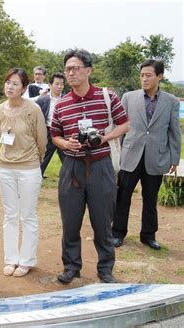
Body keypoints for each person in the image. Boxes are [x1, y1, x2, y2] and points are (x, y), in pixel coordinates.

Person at [50, 49, 129, 284]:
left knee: (103, 221)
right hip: (71, 167)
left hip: (101, 166)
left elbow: (125, 124)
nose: (71, 73)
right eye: (67, 69)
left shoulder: (107, 96)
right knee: (70, 221)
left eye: (75, 68)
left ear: (88, 70)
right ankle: (71, 266)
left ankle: (105, 268)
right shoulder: (62, 104)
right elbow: (54, 134)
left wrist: (105, 138)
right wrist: (67, 143)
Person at [112, 59, 181, 250]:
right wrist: (117, 154)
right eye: (142, 75)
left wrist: (174, 158)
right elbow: (121, 128)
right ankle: (117, 233)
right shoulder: (128, 97)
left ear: (159, 76)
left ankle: (148, 236)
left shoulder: (171, 101)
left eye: (148, 75)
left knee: (150, 199)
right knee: (122, 196)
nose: (144, 79)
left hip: (156, 158)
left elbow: (174, 132)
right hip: (130, 156)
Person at [0, 68, 47, 277]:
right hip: (5, 167)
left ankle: (26, 260)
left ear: (24, 88)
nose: (10, 87)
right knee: (10, 215)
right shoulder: (0, 110)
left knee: (27, 215)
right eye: (8, 82)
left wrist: (36, 159)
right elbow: (1, 135)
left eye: (15, 84)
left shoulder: (33, 109)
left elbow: (41, 139)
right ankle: (11, 259)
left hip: (29, 169)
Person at [36, 72, 66, 176]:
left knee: (67, 160)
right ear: (50, 85)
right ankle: (36, 179)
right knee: (43, 158)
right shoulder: (42, 100)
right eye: (57, 84)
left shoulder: (67, 100)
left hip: (63, 133)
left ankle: (70, 182)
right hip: (47, 131)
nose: (59, 86)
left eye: (62, 84)